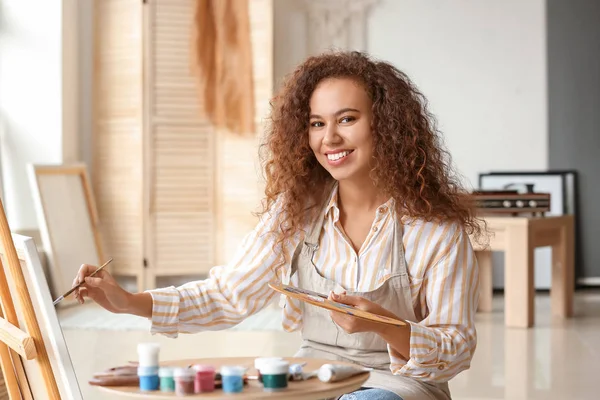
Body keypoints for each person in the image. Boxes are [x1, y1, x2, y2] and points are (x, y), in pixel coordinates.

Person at [73, 51, 484, 400]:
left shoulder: (434, 227)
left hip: (398, 386)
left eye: (347, 119)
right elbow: (227, 294)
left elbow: (457, 347)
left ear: (387, 124)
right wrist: (128, 301)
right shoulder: (298, 210)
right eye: (317, 123)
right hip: (314, 377)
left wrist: (383, 326)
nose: (330, 138)